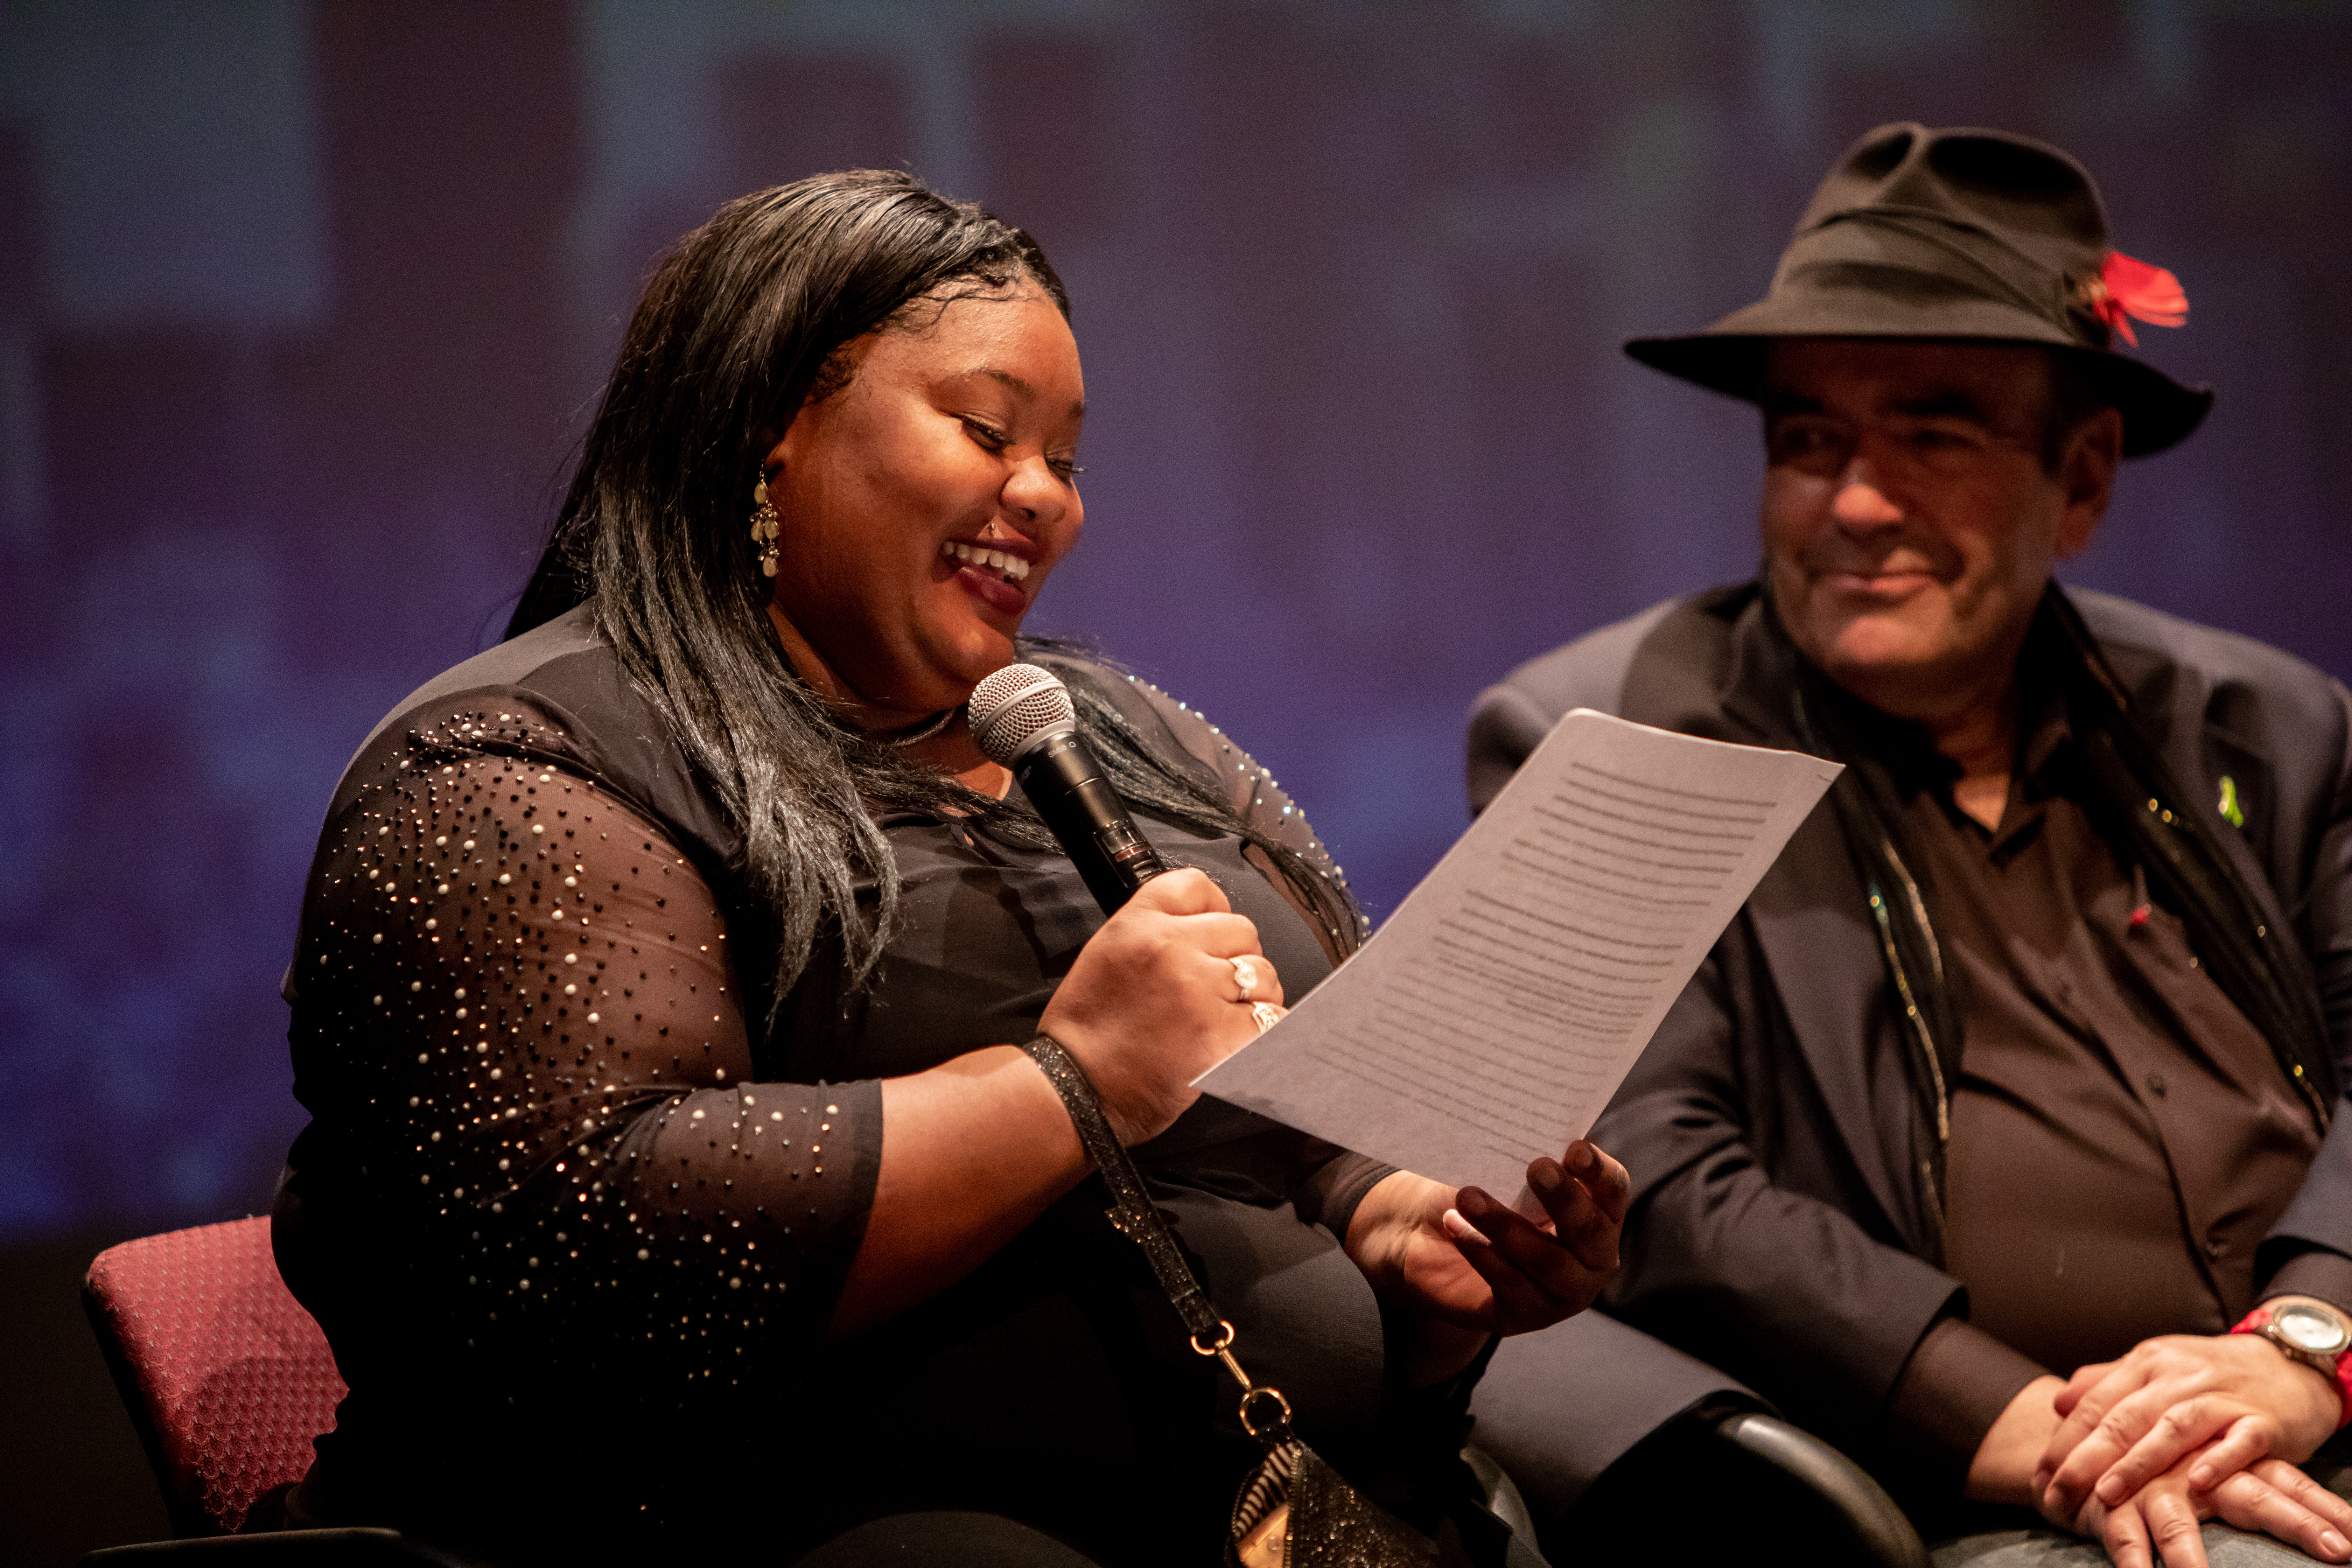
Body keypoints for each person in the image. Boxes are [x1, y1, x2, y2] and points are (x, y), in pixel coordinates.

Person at [273, 170, 1625, 1568]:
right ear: (766, 422)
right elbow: (598, 1256)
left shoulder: (1120, 731)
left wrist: (1419, 1249)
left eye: (1069, 460)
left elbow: (1319, 1110)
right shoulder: (521, 766)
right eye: (987, 431)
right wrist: (1071, 1081)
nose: (1043, 498)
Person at [1464, 125, 2352, 1567]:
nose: (1856, 501)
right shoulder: (1612, 742)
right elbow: (1656, 1183)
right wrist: (2048, 1429)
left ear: (2082, 479)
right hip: (1979, 1489)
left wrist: (2306, 1346)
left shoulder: (2268, 722)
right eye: (1810, 442)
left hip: (2306, 1408)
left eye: (1931, 435)